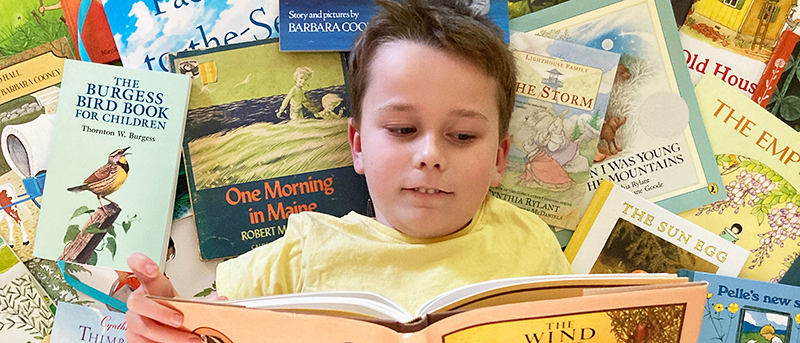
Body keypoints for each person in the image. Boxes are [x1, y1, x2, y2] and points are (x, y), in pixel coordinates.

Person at [125, 0, 571, 341]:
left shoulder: (532, 245)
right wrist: (169, 321)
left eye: (462, 136)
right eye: (402, 129)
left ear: (499, 158)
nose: (430, 155)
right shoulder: (301, 254)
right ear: (357, 145)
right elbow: (205, 325)